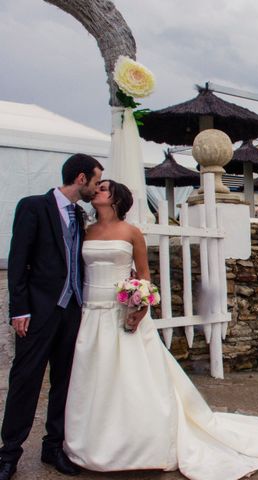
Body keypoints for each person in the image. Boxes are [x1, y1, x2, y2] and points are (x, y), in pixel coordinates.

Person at [63, 180, 258, 480]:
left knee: (132, 378)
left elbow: (144, 275)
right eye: (97, 187)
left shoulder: (131, 232)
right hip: (91, 312)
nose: (97, 190)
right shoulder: (86, 231)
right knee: (96, 377)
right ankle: (93, 441)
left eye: (104, 188)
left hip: (120, 311)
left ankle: (139, 443)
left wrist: (140, 302)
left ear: (116, 198)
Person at [0, 154, 104, 480]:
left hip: (71, 311)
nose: (97, 188)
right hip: (39, 311)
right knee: (25, 381)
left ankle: (53, 446)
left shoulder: (79, 214)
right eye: (96, 181)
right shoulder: (33, 206)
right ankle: (8, 454)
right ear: (81, 178)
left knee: (64, 382)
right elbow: (18, 262)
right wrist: (19, 309)